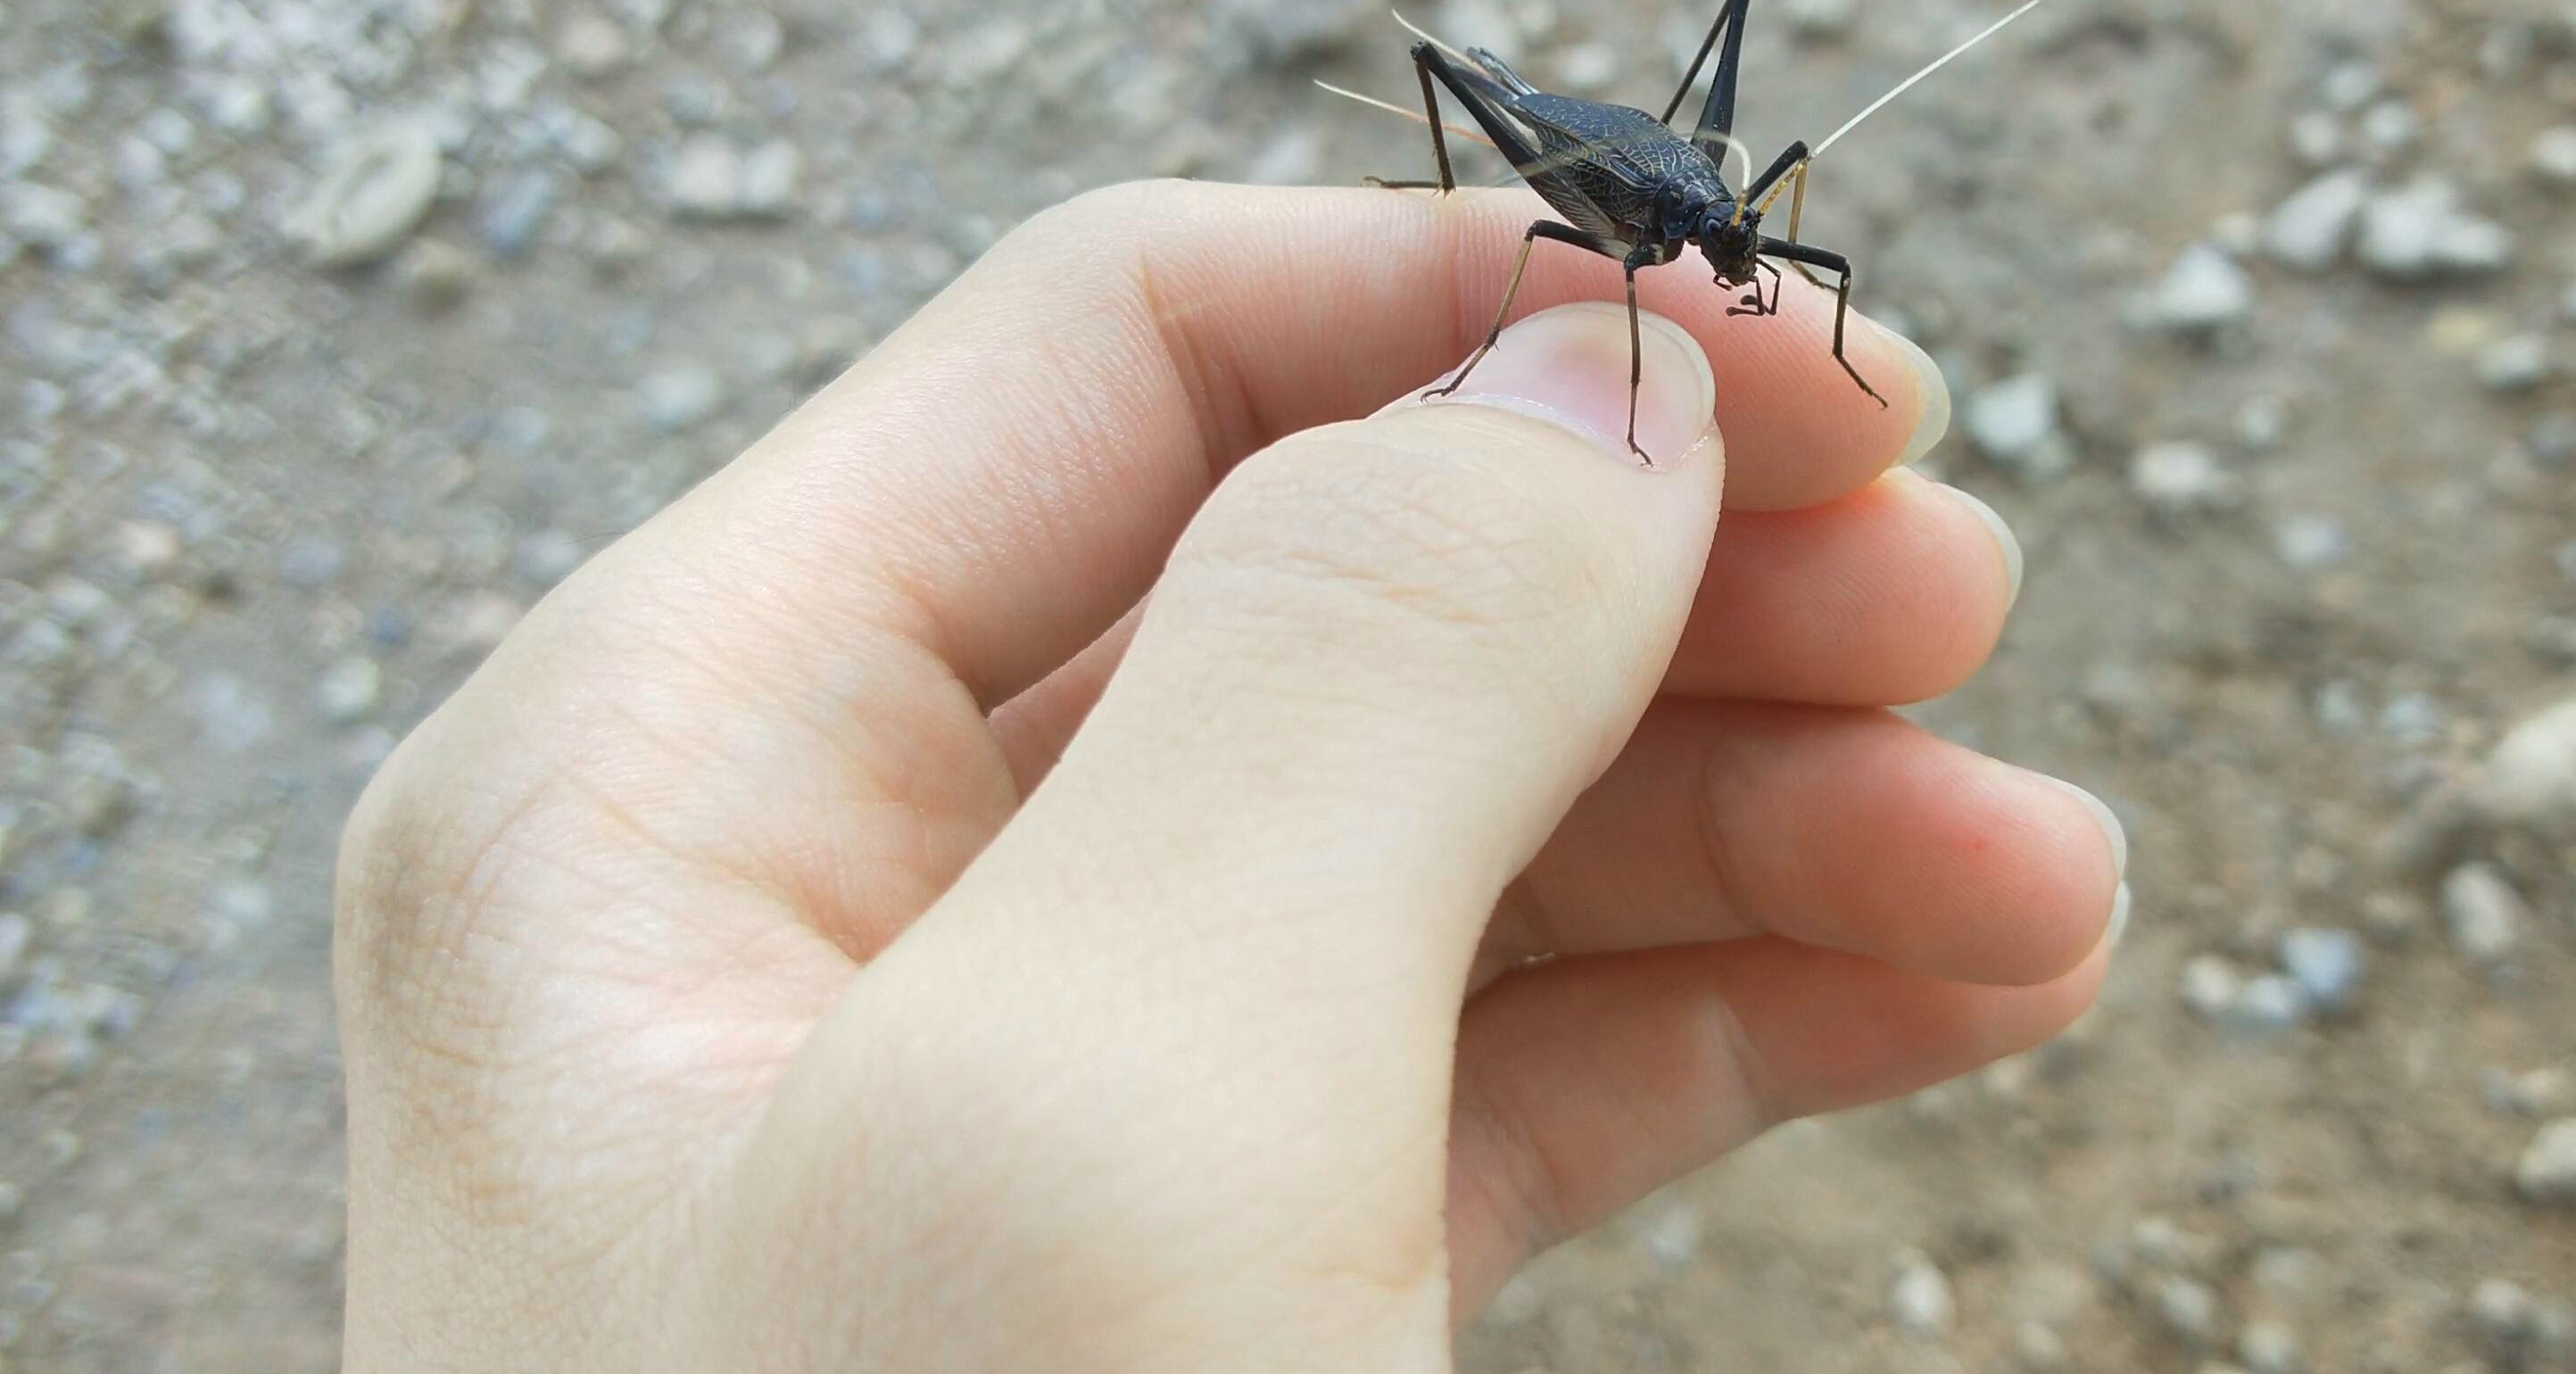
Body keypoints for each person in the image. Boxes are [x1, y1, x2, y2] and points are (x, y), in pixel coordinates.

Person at [334, 180, 2129, 1367]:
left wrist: (1757, 279)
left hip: (1649, 197)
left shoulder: (1731, 241)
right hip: (1587, 194)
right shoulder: (1588, 240)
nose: (1754, 260)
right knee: (1539, 248)